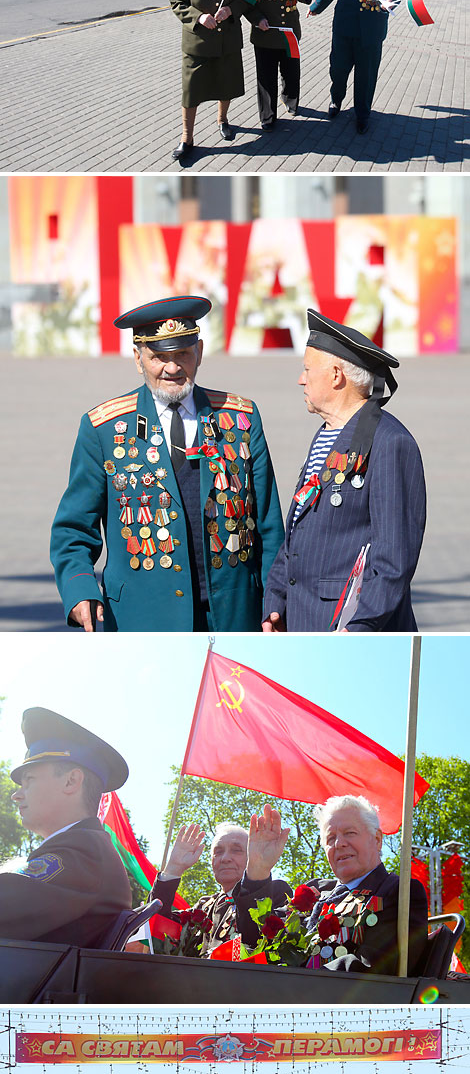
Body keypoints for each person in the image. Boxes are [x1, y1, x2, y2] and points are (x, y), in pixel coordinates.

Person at [50, 292, 283, 637]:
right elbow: (73, 529)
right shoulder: (103, 428)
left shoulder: (239, 419)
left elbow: (269, 525)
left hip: (234, 616)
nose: (173, 368)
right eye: (159, 357)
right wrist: (79, 590)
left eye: (183, 354)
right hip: (142, 619)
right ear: (137, 357)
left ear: (200, 352)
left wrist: (277, 600)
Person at [262, 306, 426, 633]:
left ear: (336, 375)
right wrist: (275, 602)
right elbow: (298, 527)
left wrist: (360, 627)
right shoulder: (328, 434)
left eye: (308, 370)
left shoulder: (390, 442)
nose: (301, 379)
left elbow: (393, 560)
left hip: (349, 633)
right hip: (304, 622)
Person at [1, 707, 131, 948]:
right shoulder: (81, 849)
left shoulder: (83, 853)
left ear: (71, 781)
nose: (16, 795)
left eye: (28, 780)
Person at [303, 793, 428, 979]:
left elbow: (374, 968)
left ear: (377, 839)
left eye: (350, 833)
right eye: (330, 838)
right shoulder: (314, 894)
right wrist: (259, 871)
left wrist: (299, 979)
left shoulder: (398, 892)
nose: (339, 844)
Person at [143, 803, 290, 958]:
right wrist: (173, 869)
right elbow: (157, 933)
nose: (225, 858)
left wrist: (258, 870)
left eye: (237, 850)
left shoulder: (276, 892)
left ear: (253, 852)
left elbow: (255, 942)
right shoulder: (204, 907)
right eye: (218, 852)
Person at [308, 0, 403, 134]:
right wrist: (316, 7)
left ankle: (362, 114)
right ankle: (336, 100)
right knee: (338, 69)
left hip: (371, 28)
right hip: (344, 26)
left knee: (366, 75)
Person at [171, 0, 246, 166]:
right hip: (198, 43)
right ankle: (187, 137)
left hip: (227, 40)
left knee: (226, 84)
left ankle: (223, 120)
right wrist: (199, 17)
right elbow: (177, 2)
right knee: (191, 90)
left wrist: (231, 10)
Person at [246, 0, 306, 131]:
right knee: (266, 77)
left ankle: (290, 101)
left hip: (290, 32)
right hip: (266, 34)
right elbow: (246, 4)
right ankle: (267, 116)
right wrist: (257, 19)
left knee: (291, 72)